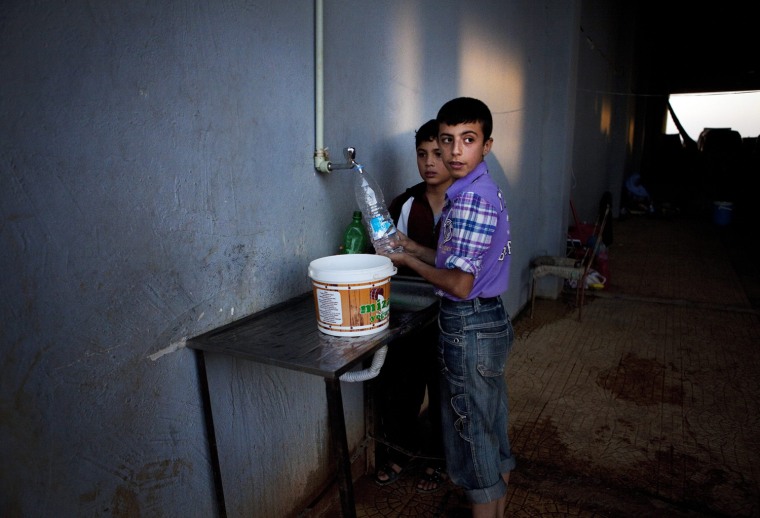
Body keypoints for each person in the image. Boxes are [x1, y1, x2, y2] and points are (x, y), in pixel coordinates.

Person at [382, 97, 515, 518]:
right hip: (487, 316)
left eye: (467, 140)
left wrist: (408, 262)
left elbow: (459, 282)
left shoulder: (471, 200)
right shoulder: (475, 189)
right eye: (447, 140)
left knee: (473, 440)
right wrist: (412, 246)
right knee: (491, 429)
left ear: (486, 145)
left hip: (469, 323)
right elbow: (454, 257)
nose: (455, 152)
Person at [373, 119, 452, 493]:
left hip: (452, 315)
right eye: (422, 154)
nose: (430, 162)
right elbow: (383, 253)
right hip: (407, 312)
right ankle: (400, 451)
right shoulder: (405, 204)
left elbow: (463, 268)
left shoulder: (466, 204)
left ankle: (439, 458)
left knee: (445, 389)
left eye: (438, 153)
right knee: (400, 383)